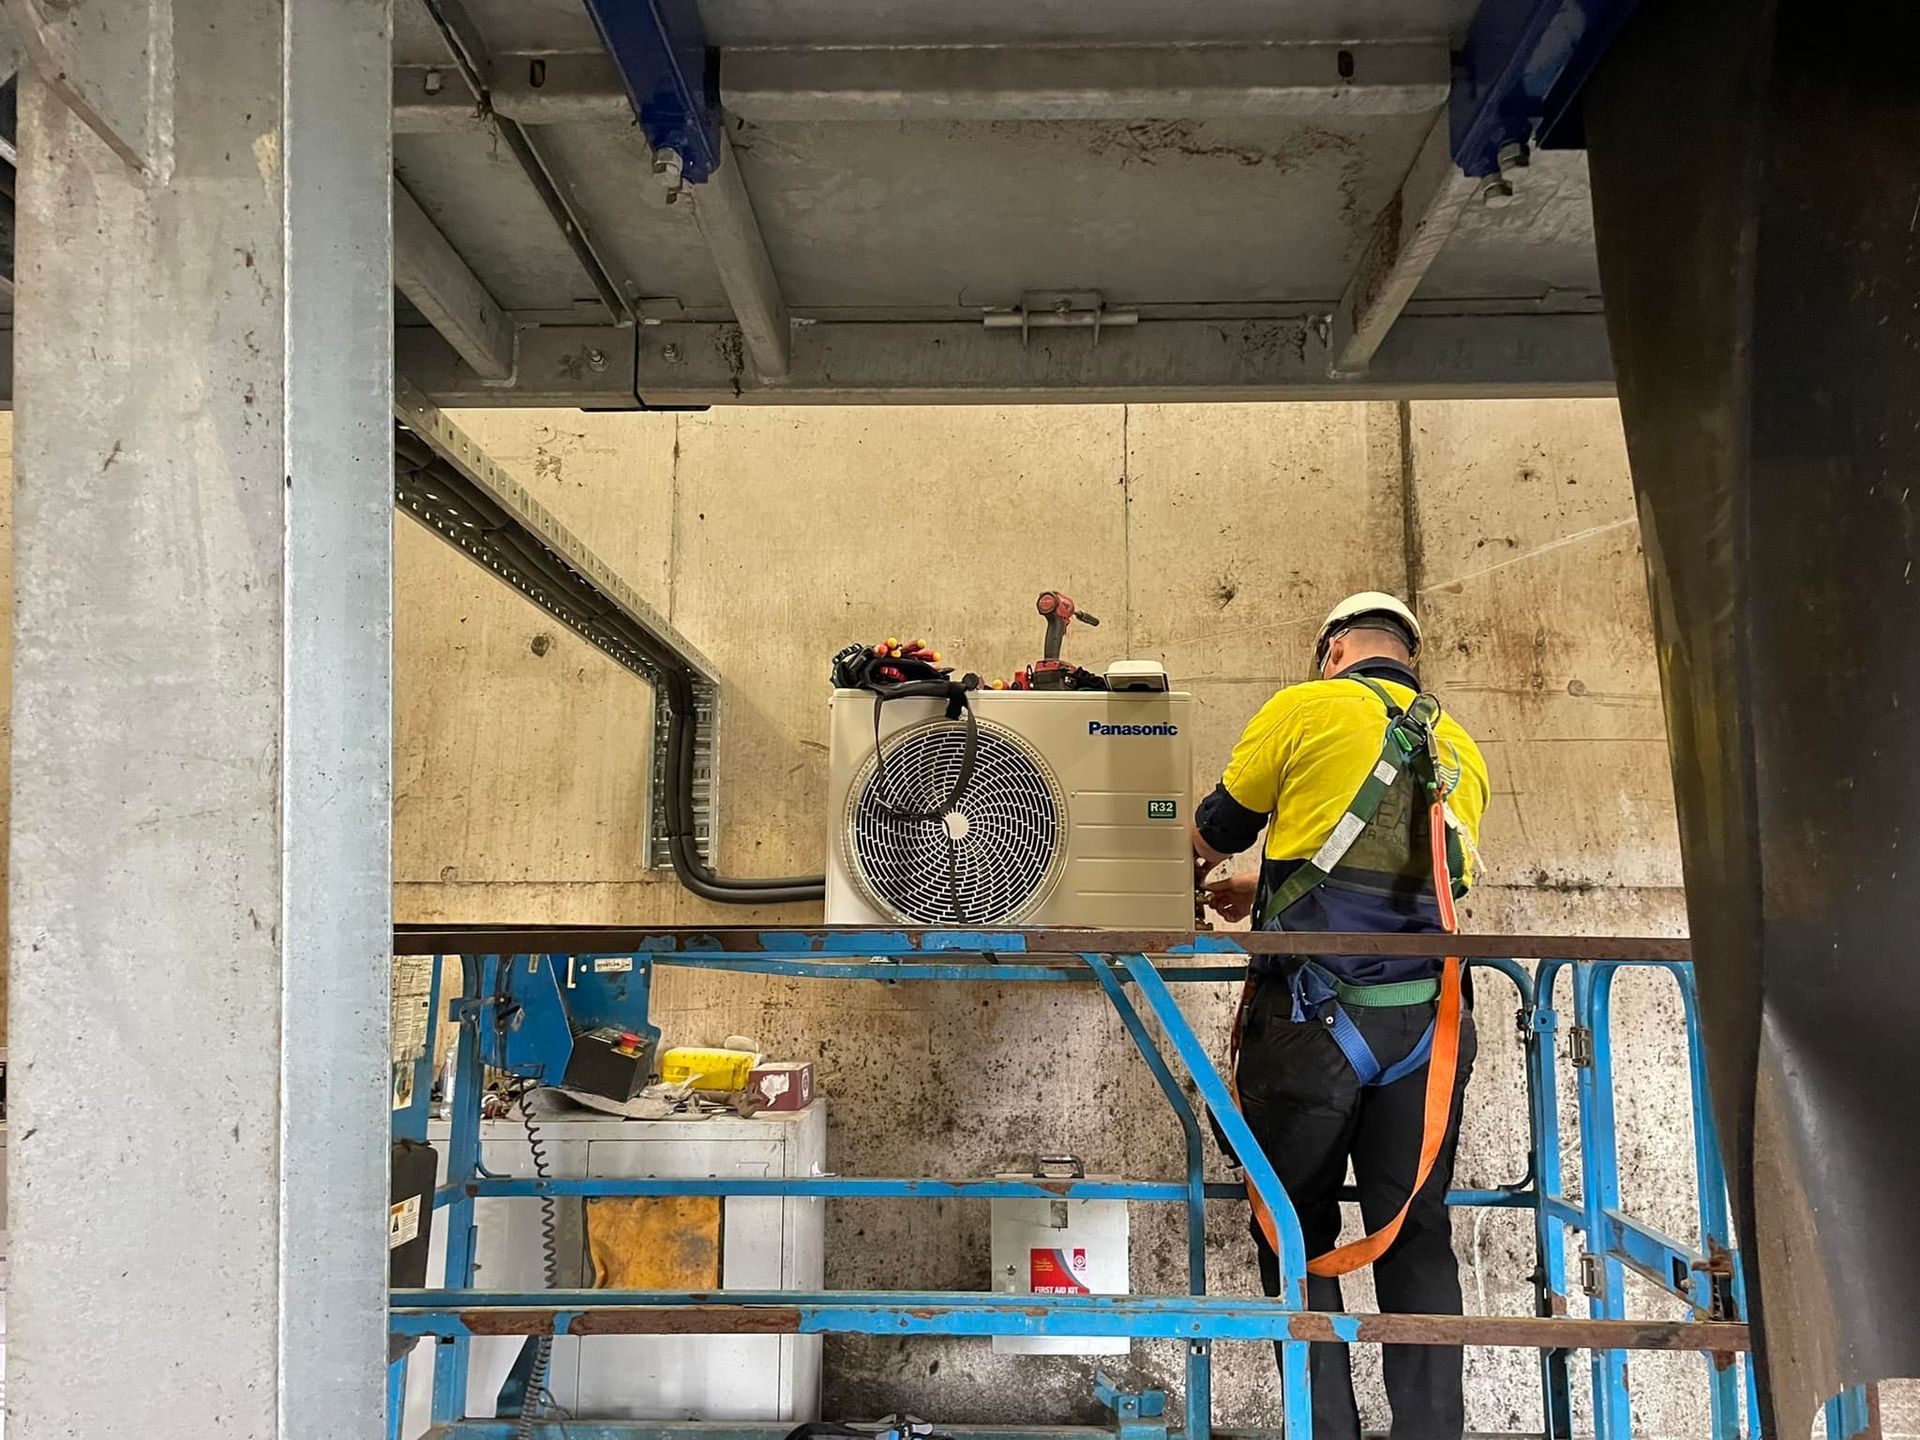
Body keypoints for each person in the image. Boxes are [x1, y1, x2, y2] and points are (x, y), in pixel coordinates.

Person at [1191, 591, 1491, 1440]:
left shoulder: (1305, 708)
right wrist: (1279, 886)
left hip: (1311, 1027)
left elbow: (1219, 829)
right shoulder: (1459, 744)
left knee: (1292, 1225)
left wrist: (1189, 868)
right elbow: (1433, 884)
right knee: (1416, 1236)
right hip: (1428, 1030)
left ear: (1332, 650)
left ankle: (1324, 1431)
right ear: (1409, 658)